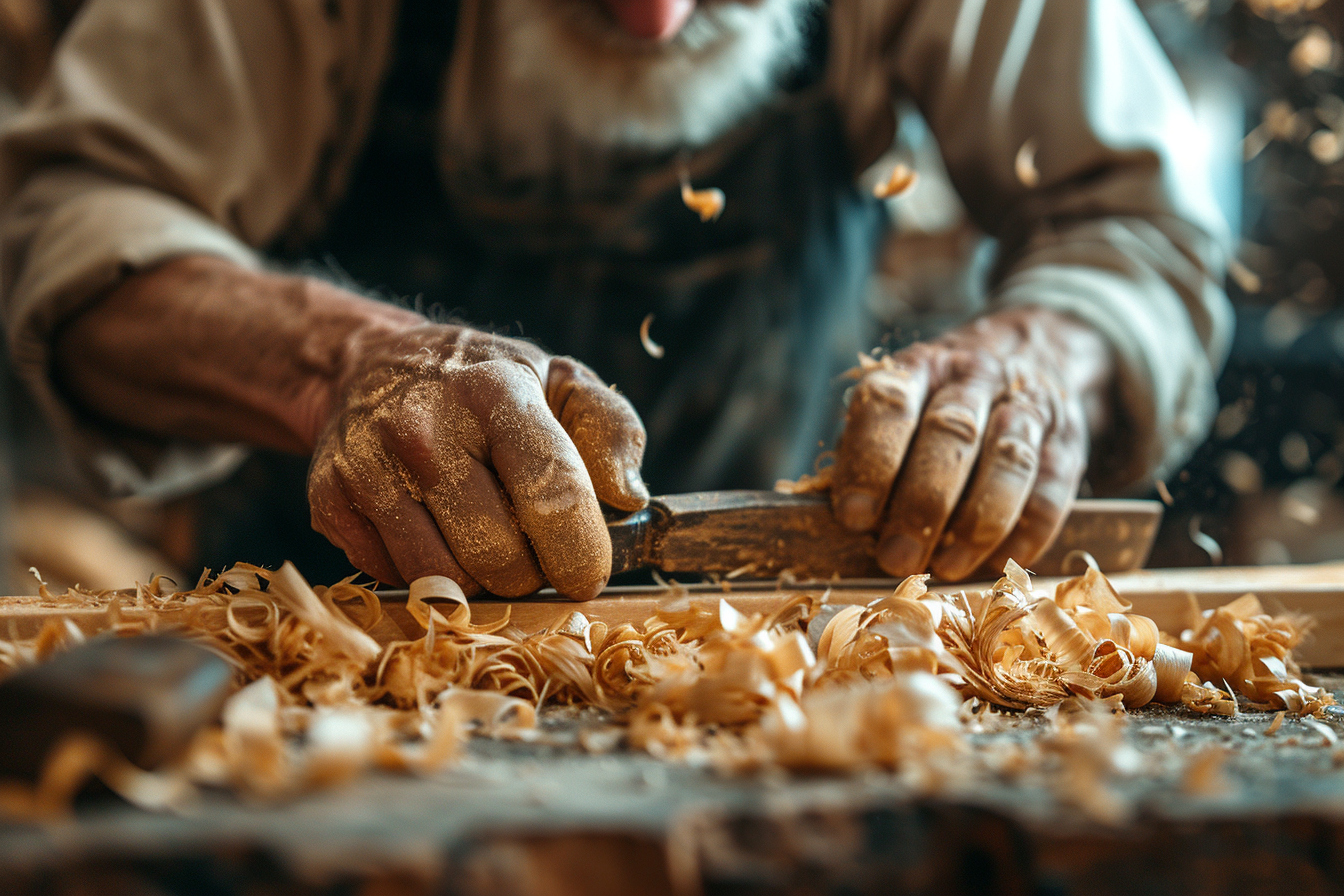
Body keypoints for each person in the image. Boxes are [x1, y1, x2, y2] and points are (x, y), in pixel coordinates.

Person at [0, 0, 1232, 599]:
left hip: (769, 692)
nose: (651, 15)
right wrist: (335, 362)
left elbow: (1140, 220)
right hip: (332, 666)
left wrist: (1047, 354)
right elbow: (72, 216)